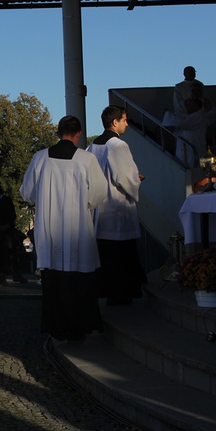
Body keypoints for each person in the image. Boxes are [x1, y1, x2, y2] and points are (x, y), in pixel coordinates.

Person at [20, 115, 107, 341]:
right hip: (77, 229)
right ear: (78, 135)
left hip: (49, 232)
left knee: (54, 283)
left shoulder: (40, 159)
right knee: (79, 283)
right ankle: (79, 329)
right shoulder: (86, 159)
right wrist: (83, 204)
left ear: (58, 133)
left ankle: (57, 327)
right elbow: (99, 192)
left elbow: (27, 192)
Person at [87, 106, 147, 305]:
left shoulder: (92, 146)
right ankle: (123, 294)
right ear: (115, 122)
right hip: (116, 209)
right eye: (124, 120)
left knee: (107, 255)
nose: (127, 124)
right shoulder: (118, 146)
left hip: (99, 211)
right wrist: (136, 180)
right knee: (122, 256)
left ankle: (108, 291)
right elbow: (123, 178)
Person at [0, 181, 26, 285]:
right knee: (0, 254)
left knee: (13, 252)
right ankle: (2, 275)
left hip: (8, 231)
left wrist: (7, 225)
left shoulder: (6, 200)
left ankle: (16, 273)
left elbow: (12, 214)